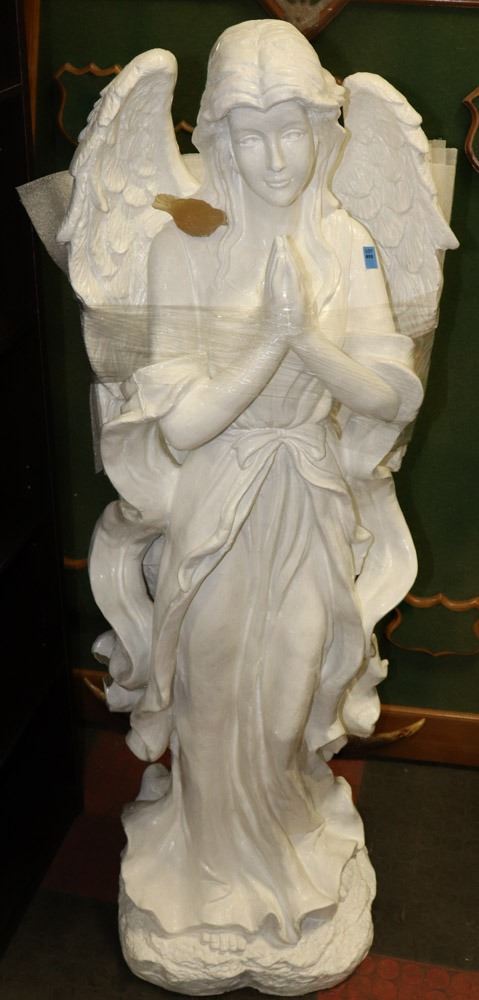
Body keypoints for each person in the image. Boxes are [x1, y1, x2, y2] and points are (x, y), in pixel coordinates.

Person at [119, 20, 421, 949]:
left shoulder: (347, 242)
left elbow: (393, 392)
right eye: (249, 135)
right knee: (212, 692)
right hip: (217, 497)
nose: (275, 156)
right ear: (216, 138)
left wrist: (310, 342)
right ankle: (207, 860)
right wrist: (269, 343)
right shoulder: (183, 244)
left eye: (290, 128)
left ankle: (284, 841)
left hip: (310, 497)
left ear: (321, 128)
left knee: (290, 688)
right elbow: (181, 424)